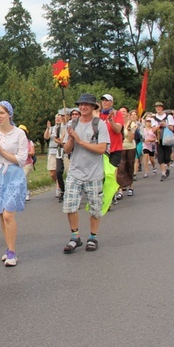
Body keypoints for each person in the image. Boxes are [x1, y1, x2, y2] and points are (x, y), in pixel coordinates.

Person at [62, 94, 110, 253]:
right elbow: (67, 150)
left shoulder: (100, 125)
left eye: (87, 105)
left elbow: (102, 149)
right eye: (81, 104)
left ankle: (93, 237)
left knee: (95, 208)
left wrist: (81, 141)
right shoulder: (72, 123)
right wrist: (71, 138)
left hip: (94, 173)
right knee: (70, 205)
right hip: (75, 172)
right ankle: (75, 236)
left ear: (93, 107)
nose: (83, 107)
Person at [0, 102, 28, 266]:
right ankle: (8, 247)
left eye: (1, 113)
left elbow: (21, 160)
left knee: (9, 214)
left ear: (9, 114)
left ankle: (12, 252)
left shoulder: (19, 134)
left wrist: (2, 151)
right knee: (2, 215)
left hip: (14, 175)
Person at [99, 94, 125, 200]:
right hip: (102, 148)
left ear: (112, 103)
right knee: (104, 173)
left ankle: (112, 194)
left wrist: (111, 120)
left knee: (112, 172)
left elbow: (118, 130)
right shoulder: (98, 115)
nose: (105, 102)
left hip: (115, 147)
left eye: (107, 101)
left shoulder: (117, 114)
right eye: (103, 100)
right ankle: (106, 194)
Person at [152, 101, 174, 181]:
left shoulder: (169, 117)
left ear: (162, 108)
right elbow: (153, 130)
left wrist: (166, 125)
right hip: (159, 139)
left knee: (167, 157)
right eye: (156, 107)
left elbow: (172, 128)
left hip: (167, 139)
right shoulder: (154, 118)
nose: (158, 108)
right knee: (160, 157)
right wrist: (158, 126)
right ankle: (163, 173)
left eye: (159, 107)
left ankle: (168, 167)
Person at [119, 107, 138, 196]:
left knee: (129, 166)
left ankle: (131, 186)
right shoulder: (118, 123)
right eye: (120, 112)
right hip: (120, 148)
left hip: (130, 147)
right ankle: (120, 190)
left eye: (124, 112)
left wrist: (129, 129)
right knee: (120, 168)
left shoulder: (132, 124)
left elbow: (131, 138)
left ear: (127, 113)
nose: (122, 113)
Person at [53, 109, 71, 203]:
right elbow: (56, 139)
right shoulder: (58, 127)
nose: (62, 117)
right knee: (58, 171)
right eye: (61, 115)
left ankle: (69, 191)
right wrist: (60, 141)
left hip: (68, 151)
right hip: (60, 151)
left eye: (64, 115)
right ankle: (63, 190)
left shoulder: (70, 125)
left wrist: (62, 140)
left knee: (69, 172)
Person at [19, 125, 36, 201]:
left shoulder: (29, 142)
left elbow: (32, 152)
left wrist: (24, 154)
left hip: (27, 163)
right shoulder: (16, 142)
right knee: (20, 179)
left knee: (23, 177)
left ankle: (26, 193)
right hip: (19, 163)